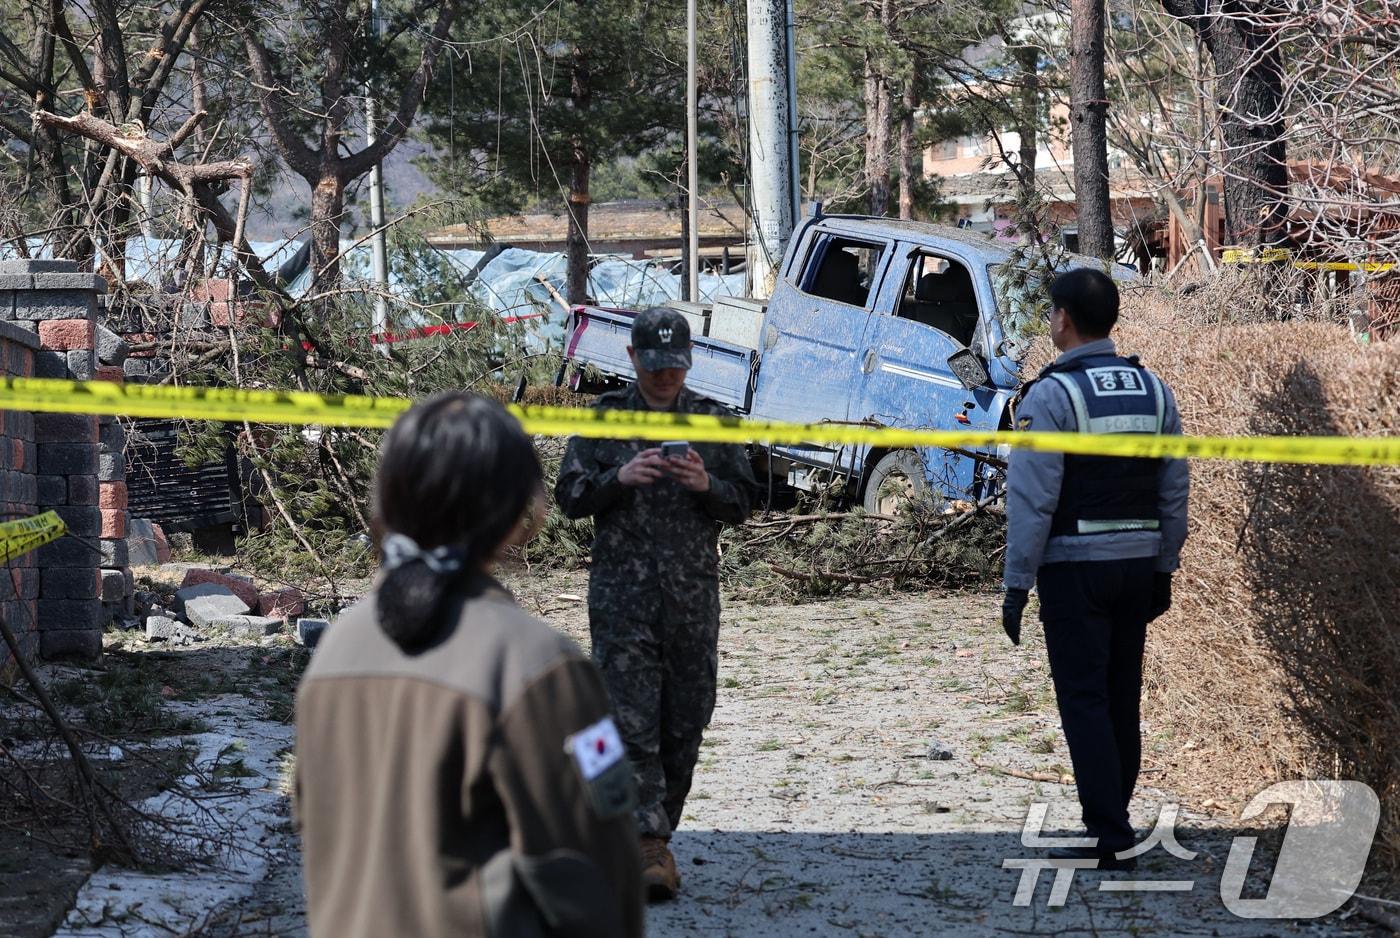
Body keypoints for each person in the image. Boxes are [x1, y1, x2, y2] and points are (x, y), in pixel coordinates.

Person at [295, 392, 643, 938]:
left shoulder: (335, 651)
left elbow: (314, 827)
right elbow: (598, 877)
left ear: (387, 502)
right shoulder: (540, 666)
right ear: (516, 515)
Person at [555, 306, 758, 901]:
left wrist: (707, 486)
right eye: (654, 365)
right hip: (622, 597)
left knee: (687, 719)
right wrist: (620, 476)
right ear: (632, 359)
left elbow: (745, 501)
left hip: (692, 600)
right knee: (630, 720)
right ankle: (646, 844)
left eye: (674, 365)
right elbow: (569, 495)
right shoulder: (607, 418)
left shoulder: (713, 421)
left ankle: (653, 831)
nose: (665, 376)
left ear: (688, 360)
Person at [1002, 268, 1189, 870]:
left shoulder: (1052, 396)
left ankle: (1109, 831)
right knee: (1120, 696)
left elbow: (1033, 498)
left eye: (1051, 312)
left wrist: (1016, 582)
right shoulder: (1154, 390)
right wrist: (1165, 564)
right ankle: (1115, 815)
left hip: (1075, 569)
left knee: (1083, 699)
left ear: (1062, 319)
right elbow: (1173, 486)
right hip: (1138, 567)